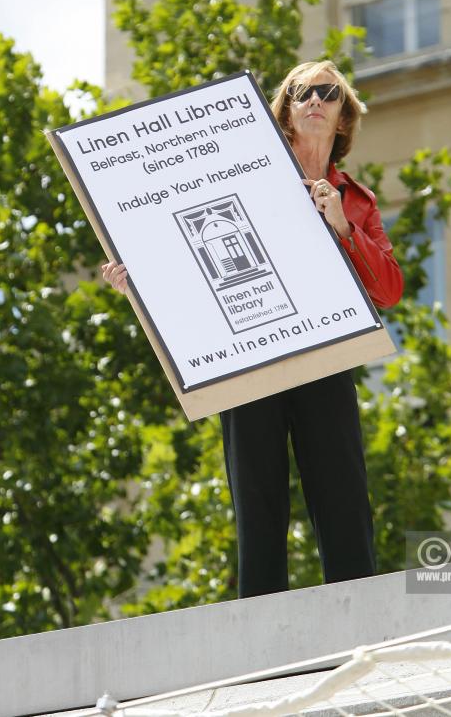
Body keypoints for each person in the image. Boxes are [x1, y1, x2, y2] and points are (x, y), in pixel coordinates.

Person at [102, 60, 403, 599]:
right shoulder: (243, 172)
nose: (315, 99)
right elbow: (180, 246)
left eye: (329, 93)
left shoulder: (357, 199)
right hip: (248, 358)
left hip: (325, 353)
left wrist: (342, 227)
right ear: (285, 110)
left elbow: (389, 290)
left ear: (342, 118)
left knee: (343, 495)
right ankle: (264, 633)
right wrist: (137, 284)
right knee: (258, 504)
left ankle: (361, 617)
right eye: (302, 91)